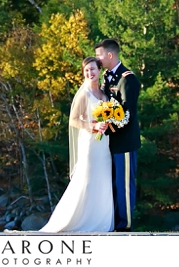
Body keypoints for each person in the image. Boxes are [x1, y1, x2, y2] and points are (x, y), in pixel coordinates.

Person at [39, 56, 114, 233]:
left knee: (102, 180)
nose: (90, 73)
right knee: (86, 180)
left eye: (93, 69)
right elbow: (73, 120)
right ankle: (75, 220)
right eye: (86, 70)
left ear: (99, 70)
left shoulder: (104, 94)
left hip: (104, 144)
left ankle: (100, 221)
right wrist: (92, 126)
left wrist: (106, 123)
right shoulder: (84, 93)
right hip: (89, 143)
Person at [94, 38, 140, 232]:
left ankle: (125, 226)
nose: (97, 59)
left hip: (125, 143)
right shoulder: (107, 77)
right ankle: (114, 223)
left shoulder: (128, 79)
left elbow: (127, 113)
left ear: (110, 55)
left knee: (124, 186)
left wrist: (109, 124)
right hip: (110, 143)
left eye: (99, 55)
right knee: (112, 185)